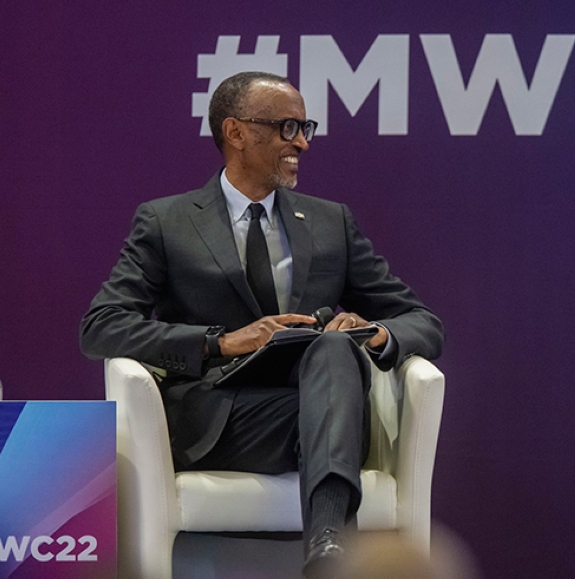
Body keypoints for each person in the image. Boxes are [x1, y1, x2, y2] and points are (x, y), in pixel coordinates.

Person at [80, 71, 444, 578]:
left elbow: (421, 320)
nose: (303, 143)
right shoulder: (167, 222)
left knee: (336, 350)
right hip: (220, 420)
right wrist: (222, 342)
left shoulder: (330, 221)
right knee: (328, 394)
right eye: (287, 128)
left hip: (323, 413)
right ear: (236, 132)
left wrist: (376, 335)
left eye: (305, 127)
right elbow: (102, 326)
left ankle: (329, 545)